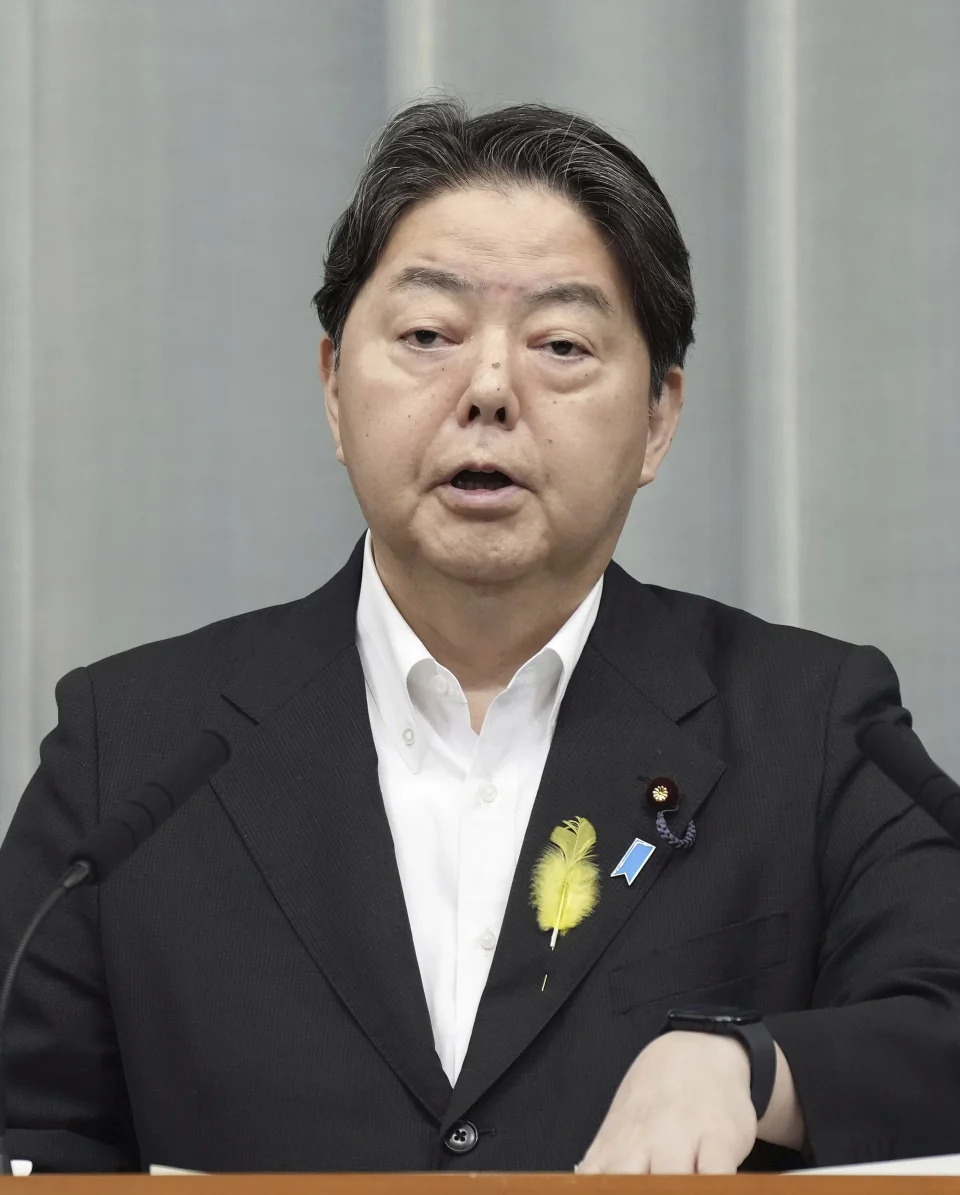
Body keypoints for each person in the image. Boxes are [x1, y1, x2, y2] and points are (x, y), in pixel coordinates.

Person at [2, 94, 960, 1177]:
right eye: (426, 336)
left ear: (657, 419)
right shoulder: (131, 755)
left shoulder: (811, 726)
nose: (491, 391)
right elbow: (29, 1133)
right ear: (332, 388)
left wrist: (754, 1062)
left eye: (560, 343)